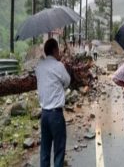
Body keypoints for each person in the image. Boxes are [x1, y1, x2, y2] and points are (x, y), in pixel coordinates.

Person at [35, 38, 71, 167]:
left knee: (44, 151)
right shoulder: (58, 65)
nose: (59, 52)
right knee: (59, 151)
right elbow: (67, 82)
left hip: (44, 114)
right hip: (56, 115)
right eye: (58, 50)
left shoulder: (39, 66)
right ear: (55, 50)